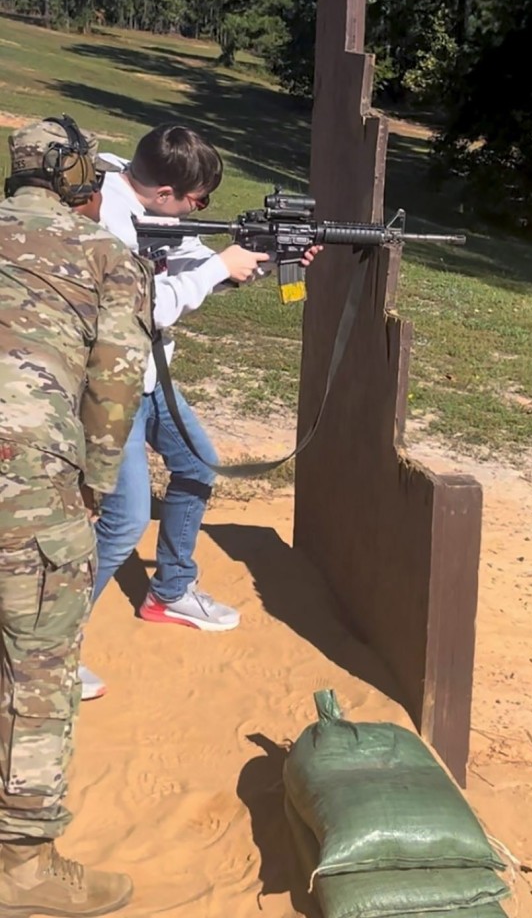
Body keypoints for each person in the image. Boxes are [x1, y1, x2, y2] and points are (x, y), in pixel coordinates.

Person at [80, 124, 319, 700]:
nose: (201, 209)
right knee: (124, 522)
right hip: (109, 385)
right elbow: (143, 309)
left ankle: (170, 590)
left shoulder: (158, 214)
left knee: (196, 464)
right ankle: (42, 642)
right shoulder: (102, 220)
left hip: (149, 375)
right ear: (164, 193)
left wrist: (256, 262)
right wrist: (217, 268)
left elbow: (196, 261)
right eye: (197, 201)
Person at [0, 115, 153, 915]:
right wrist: (91, 487)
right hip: (28, 481)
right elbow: (118, 382)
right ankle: (22, 868)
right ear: (78, 179)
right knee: (37, 668)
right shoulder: (105, 257)